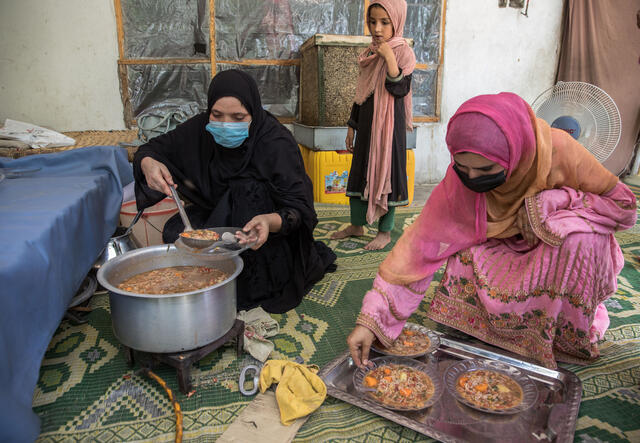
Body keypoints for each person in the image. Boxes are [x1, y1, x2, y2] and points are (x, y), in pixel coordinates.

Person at [347, 92, 637, 369]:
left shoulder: (559, 150)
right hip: (499, 247)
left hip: (550, 250)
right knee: (459, 246)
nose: (472, 178)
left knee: (580, 239)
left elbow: (623, 206)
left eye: (486, 171)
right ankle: (483, 327)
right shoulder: (459, 184)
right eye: (462, 167)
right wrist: (370, 319)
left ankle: (558, 332)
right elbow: (417, 247)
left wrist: (553, 202)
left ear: (516, 152)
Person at [133, 69, 337, 314]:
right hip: (219, 215)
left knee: (247, 190)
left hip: (263, 234)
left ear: (253, 112)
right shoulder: (200, 129)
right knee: (177, 233)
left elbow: (300, 211)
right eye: (217, 115)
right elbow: (151, 149)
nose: (225, 125)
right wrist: (148, 163)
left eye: (238, 117)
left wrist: (268, 221)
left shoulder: (276, 143)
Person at [330, 0, 416, 250]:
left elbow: (399, 88)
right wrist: (351, 126)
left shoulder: (403, 52)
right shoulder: (369, 53)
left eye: (384, 22)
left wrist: (389, 57)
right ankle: (357, 225)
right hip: (367, 128)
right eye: (372, 22)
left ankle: (385, 232)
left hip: (390, 132)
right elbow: (361, 94)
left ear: (396, 22)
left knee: (387, 174)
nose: (377, 29)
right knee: (359, 173)